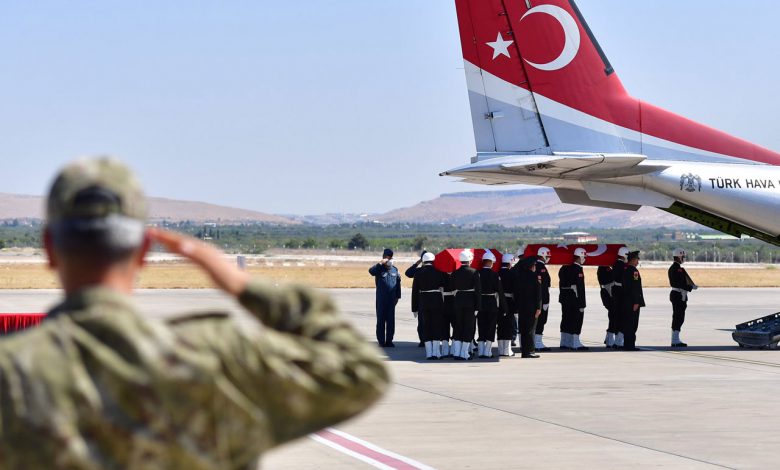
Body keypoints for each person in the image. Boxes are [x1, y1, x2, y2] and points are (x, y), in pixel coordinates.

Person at [0, 158, 389, 469]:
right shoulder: (216, 360)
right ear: (142, 252)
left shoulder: (12, 373)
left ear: (49, 248)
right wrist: (241, 285)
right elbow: (360, 371)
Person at [411, 252, 449, 360]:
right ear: (433, 260)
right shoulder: (439, 272)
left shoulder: (418, 273)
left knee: (426, 326)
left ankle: (429, 353)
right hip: (437, 301)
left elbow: (415, 292)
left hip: (424, 301)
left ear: (423, 261)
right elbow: (444, 286)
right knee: (436, 326)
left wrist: (414, 308)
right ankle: (436, 353)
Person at [450, 250, 481, 360]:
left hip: (458, 301)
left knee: (458, 326)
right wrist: (478, 306)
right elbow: (478, 291)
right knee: (468, 327)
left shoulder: (455, 273)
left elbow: (452, 288)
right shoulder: (474, 272)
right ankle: (464, 353)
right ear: (470, 260)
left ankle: (457, 353)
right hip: (470, 302)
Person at [369, 248, 402, 347]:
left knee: (391, 321)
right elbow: (371, 271)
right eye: (385, 257)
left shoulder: (395, 270)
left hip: (391, 299)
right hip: (381, 299)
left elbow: (398, 285)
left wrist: (397, 297)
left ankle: (389, 340)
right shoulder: (379, 269)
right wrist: (380, 263)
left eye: (389, 257)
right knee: (381, 320)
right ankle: (381, 341)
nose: (388, 259)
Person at [477, 251, 506, 358]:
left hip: (480, 303)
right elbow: (500, 292)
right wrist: (504, 308)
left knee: (481, 326)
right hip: (491, 303)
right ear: (490, 262)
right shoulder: (494, 275)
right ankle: (487, 351)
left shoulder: (477, 273)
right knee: (491, 327)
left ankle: (480, 351)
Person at [559, 247, 588, 351]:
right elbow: (580, 288)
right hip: (575, 300)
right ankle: (575, 342)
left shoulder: (563, 268)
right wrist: (582, 304)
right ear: (579, 257)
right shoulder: (578, 269)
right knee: (576, 320)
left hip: (565, 299)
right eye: (584, 256)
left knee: (566, 320)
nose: (584, 258)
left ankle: (565, 342)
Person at [669, 248, 697, 347]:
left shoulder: (675, 268)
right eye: (683, 256)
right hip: (678, 295)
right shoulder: (677, 269)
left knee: (679, 317)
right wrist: (691, 287)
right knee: (678, 317)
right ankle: (675, 340)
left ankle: (675, 339)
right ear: (679, 256)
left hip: (679, 294)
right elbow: (680, 283)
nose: (683, 258)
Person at [516, 256, 542, 358]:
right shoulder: (535, 277)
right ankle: (530, 351)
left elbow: (517, 293)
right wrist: (539, 308)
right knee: (531, 329)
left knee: (523, 329)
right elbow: (538, 294)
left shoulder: (519, 277)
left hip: (522, 307)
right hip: (532, 307)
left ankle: (524, 351)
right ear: (531, 267)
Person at [622, 250, 646, 351]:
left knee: (628, 323)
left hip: (627, 301)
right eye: (637, 259)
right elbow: (635, 288)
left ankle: (628, 344)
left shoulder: (625, 269)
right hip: (632, 302)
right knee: (632, 324)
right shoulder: (633, 271)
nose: (637, 262)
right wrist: (636, 302)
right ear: (632, 260)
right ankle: (630, 345)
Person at [405, 250, 429, 347]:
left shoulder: (420, 271)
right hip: (423, 299)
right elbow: (408, 273)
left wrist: (418, 262)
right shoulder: (419, 270)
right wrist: (418, 263)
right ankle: (424, 340)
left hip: (423, 299)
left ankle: (426, 339)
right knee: (423, 321)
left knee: (425, 321)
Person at [497, 253, 517, 357]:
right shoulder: (511, 273)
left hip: (498, 302)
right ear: (510, 263)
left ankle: (500, 349)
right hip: (509, 301)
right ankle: (507, 350)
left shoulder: (497, 273)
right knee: (508, 326)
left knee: (500, 326)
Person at [534, 247, 552, 352]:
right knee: (541, 321)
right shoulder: (541, 267)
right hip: (542, 300)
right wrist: (545, 301)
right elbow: (543, 287)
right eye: (547, 256)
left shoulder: (536, 265)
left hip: (537, 299)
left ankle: (537, 342)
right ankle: (538, 343)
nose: (548, 258)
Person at [611, 246, 629, 349]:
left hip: (616, 291)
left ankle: (618, 339)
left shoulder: (616, 264)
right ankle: (619, 340)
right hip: (621, 292)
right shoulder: (622, 266)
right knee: (622, 317)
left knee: (618, 316)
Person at [597, 261, 616, 348]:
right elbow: (608, 280)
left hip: (609, 293)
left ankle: (609, 338)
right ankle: (609, 338)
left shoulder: (606, 267)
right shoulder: (603, 268)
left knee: (613, 316)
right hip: (608, 293)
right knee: (613, 316)